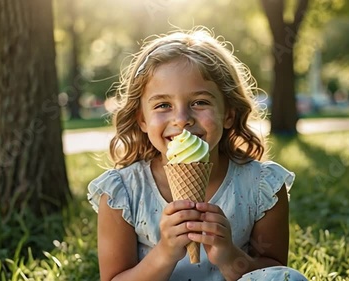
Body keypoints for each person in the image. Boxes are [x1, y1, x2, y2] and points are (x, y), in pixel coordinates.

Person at [87, 27, 308, 281]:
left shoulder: (262, 187)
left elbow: (274, 270)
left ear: (228, 114)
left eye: (199, 102)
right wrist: (164, 253)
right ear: (142, 120)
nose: (182, 120)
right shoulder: (123, 193)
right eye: (163, 105)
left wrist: (227, 254)